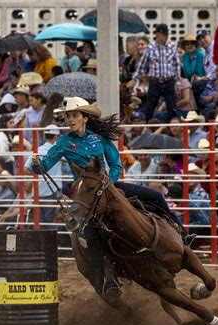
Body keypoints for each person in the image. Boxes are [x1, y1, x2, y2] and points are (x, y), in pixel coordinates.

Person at [31, 97, 195, 296]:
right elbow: (46, 164)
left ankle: (181, 233)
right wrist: (37, 165)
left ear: (85, 118)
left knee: (155, 197)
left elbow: (116, 164)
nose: (71, 120)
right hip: (88, 195)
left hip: (108, 186)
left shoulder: (99, 138)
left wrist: (109, 184)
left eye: (75, 115)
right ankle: (105, 281)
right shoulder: (64, 142)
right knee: (92, 237)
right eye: (68, 116)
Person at [127, 24, 181, 121]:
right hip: (155, 81)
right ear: (157, 34)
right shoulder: (150, 47)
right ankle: (148, 127)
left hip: (169, 81)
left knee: (172, 108)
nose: (166, 36)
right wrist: (134, 79)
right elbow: (142, 65)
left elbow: (176, 65)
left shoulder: (172, 46)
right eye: (163, 34)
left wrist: (177, 82)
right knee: (150, 107)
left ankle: (173, 129)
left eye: (166, 34)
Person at [25, 124, 63, 225]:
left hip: (38, 192)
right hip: (53, 191)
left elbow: (26, 169)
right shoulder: (58, 151)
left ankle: (41, 240)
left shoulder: (38, 150)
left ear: (45, 136)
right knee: (50, 221)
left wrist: (37, 174)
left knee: (39, 222)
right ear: (56, 137)